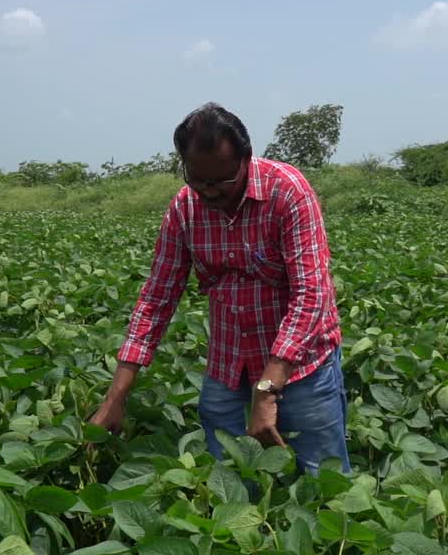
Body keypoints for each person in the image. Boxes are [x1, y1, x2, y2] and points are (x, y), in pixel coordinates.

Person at [88, 102, 352, 475]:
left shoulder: (287, 192)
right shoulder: (185, 209)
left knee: (320, 477)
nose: (210, 192)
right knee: (227, 479)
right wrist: (115, 397)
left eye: (223, 181)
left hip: (302, 367)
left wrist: (266, 391)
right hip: (228, 365)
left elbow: (312, 295)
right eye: (198, 180)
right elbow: (156, 300)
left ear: (246, 158)